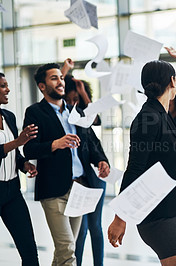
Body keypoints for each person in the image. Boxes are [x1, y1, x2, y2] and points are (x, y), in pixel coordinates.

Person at [108, 60, 176, 266]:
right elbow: (134, 169)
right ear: (172, 81)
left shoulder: (163, 115)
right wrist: (120, 217)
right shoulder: (147, 118)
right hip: (160, 215)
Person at [23, 63, 110, 266]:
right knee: (68, 248)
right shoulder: (35, 112)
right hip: (54, 191)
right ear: (42, 86)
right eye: (54, 78)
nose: (60, 81)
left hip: (79, 188)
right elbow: (29, 150)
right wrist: (55, 144)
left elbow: (89, 141)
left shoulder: (75, 111)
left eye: (60, 78)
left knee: (64, 251)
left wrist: (100, 160)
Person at [63, 74, 107, 266]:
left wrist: (82, 92)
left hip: (95, 179)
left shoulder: (83, 118)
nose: (73, 103)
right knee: (80, 231)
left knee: (96, 228)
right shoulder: (66, 121)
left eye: (77, 99)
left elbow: (96, 120)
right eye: (69, 99)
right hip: (77, 182)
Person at [0, 73, 40, 265]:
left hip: (12, 192)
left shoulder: (9, 116)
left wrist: (24, 165)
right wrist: (18, 141)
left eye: (7, 85)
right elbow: (12, 145)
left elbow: (14, 154)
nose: (8, 89)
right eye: (2, 86)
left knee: (29, 251)